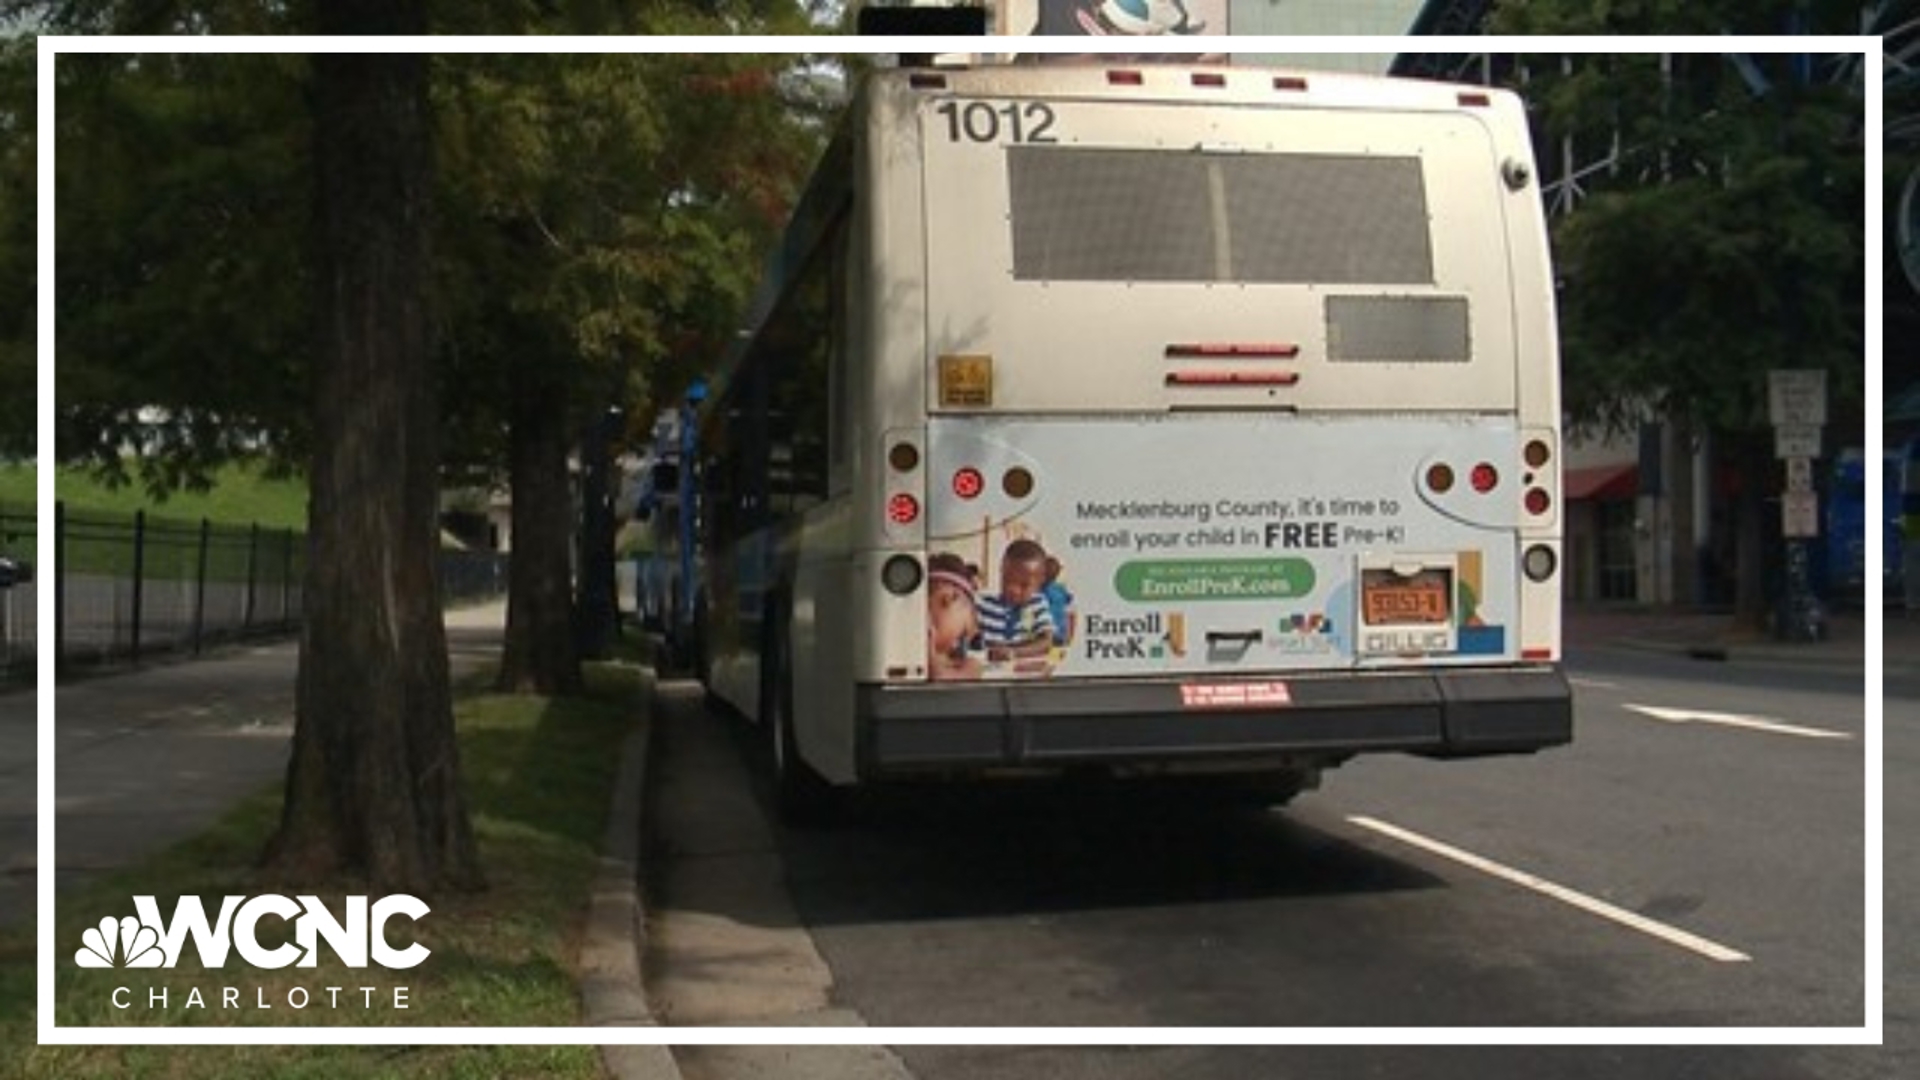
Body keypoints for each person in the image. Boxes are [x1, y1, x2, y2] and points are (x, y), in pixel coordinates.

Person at [978, 538, 1057, 662]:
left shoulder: (1037, 604)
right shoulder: (985, 604)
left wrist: (1013, 653)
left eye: (1024, 585)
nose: (1013, 589)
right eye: (1007, 580)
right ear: (1001, 571)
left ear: (1039, 583)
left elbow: (1046, 643)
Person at [927, 552, 983, 680]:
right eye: (961, 636)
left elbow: (939, 677)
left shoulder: (970, 665)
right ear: (949, 598)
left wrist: (930, 653)